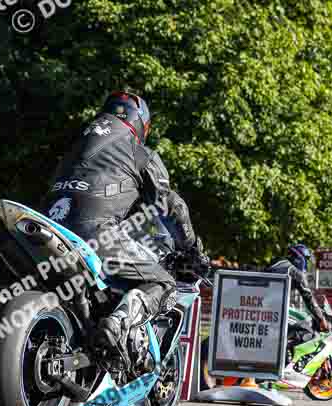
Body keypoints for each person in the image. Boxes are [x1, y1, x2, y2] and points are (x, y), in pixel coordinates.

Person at [43, 91, 208, 366]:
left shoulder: (74, 147)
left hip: (49, 224)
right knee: (163, 283)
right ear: (142, 124)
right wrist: (193, 249)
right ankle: (118, 322)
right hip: (95, 233)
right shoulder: (137, 150)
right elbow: (170, 206)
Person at [265, 244, 330, 333]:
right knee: (303, 329)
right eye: (306, 259)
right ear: (299, 258)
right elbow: (309, 298)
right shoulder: (295, 272)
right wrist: (321, 319)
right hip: (272, 312)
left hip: (262, 307)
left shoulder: (277, 262)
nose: (307, 263)